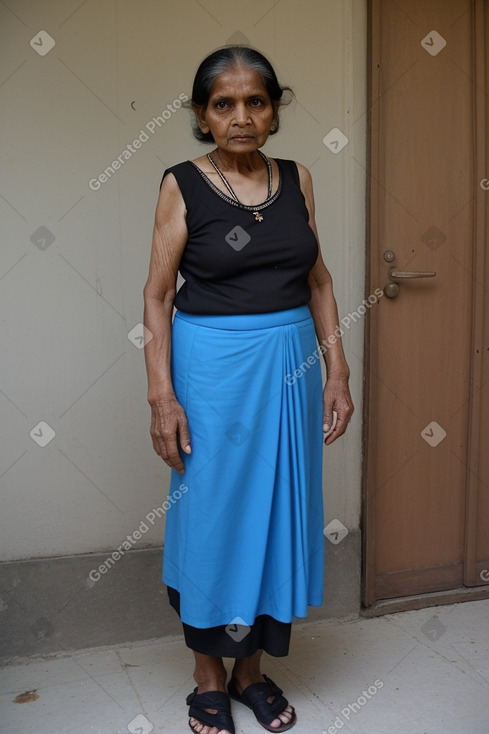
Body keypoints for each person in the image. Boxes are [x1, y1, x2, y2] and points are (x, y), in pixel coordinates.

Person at [143, 45, 354, 734]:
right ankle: (207, 678)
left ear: (273, 109)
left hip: (287, 372)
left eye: (255, 101)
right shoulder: (181, 183)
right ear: (203, 117)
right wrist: (162, 398)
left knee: (277, 512)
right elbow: (155, 298)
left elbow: (317, 282)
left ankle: (252, 673)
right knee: (214, 516)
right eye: (224, 104)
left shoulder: (297, 179)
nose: (241, 116)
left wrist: (337, 373)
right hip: (212, 376)